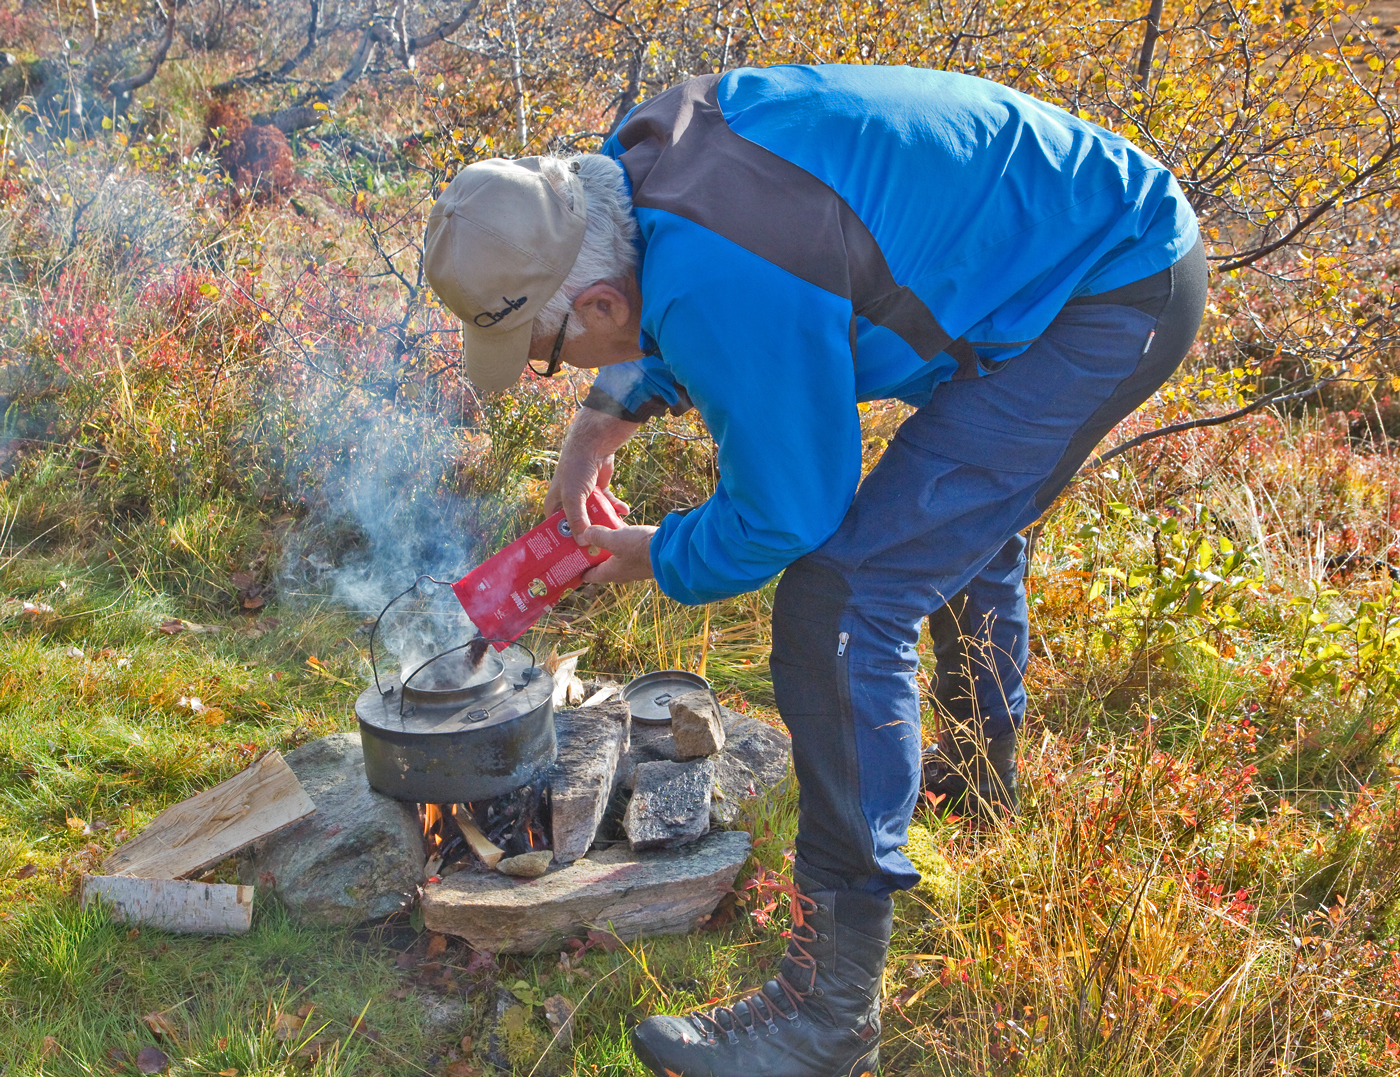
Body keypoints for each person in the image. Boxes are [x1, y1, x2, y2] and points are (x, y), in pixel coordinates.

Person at [424, 63, 1205, 1077]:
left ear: (599, 297)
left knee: (841, 601)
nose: (556, 368)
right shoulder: (635, 166)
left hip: (1105, 286)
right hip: (1065, 234)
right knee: (945, 529)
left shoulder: (710, 270)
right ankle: (975, 792)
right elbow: (697, 281)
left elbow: (788, 511)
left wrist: (655, 555)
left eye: (545, 353)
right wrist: (598, 417)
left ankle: (826, 1013)